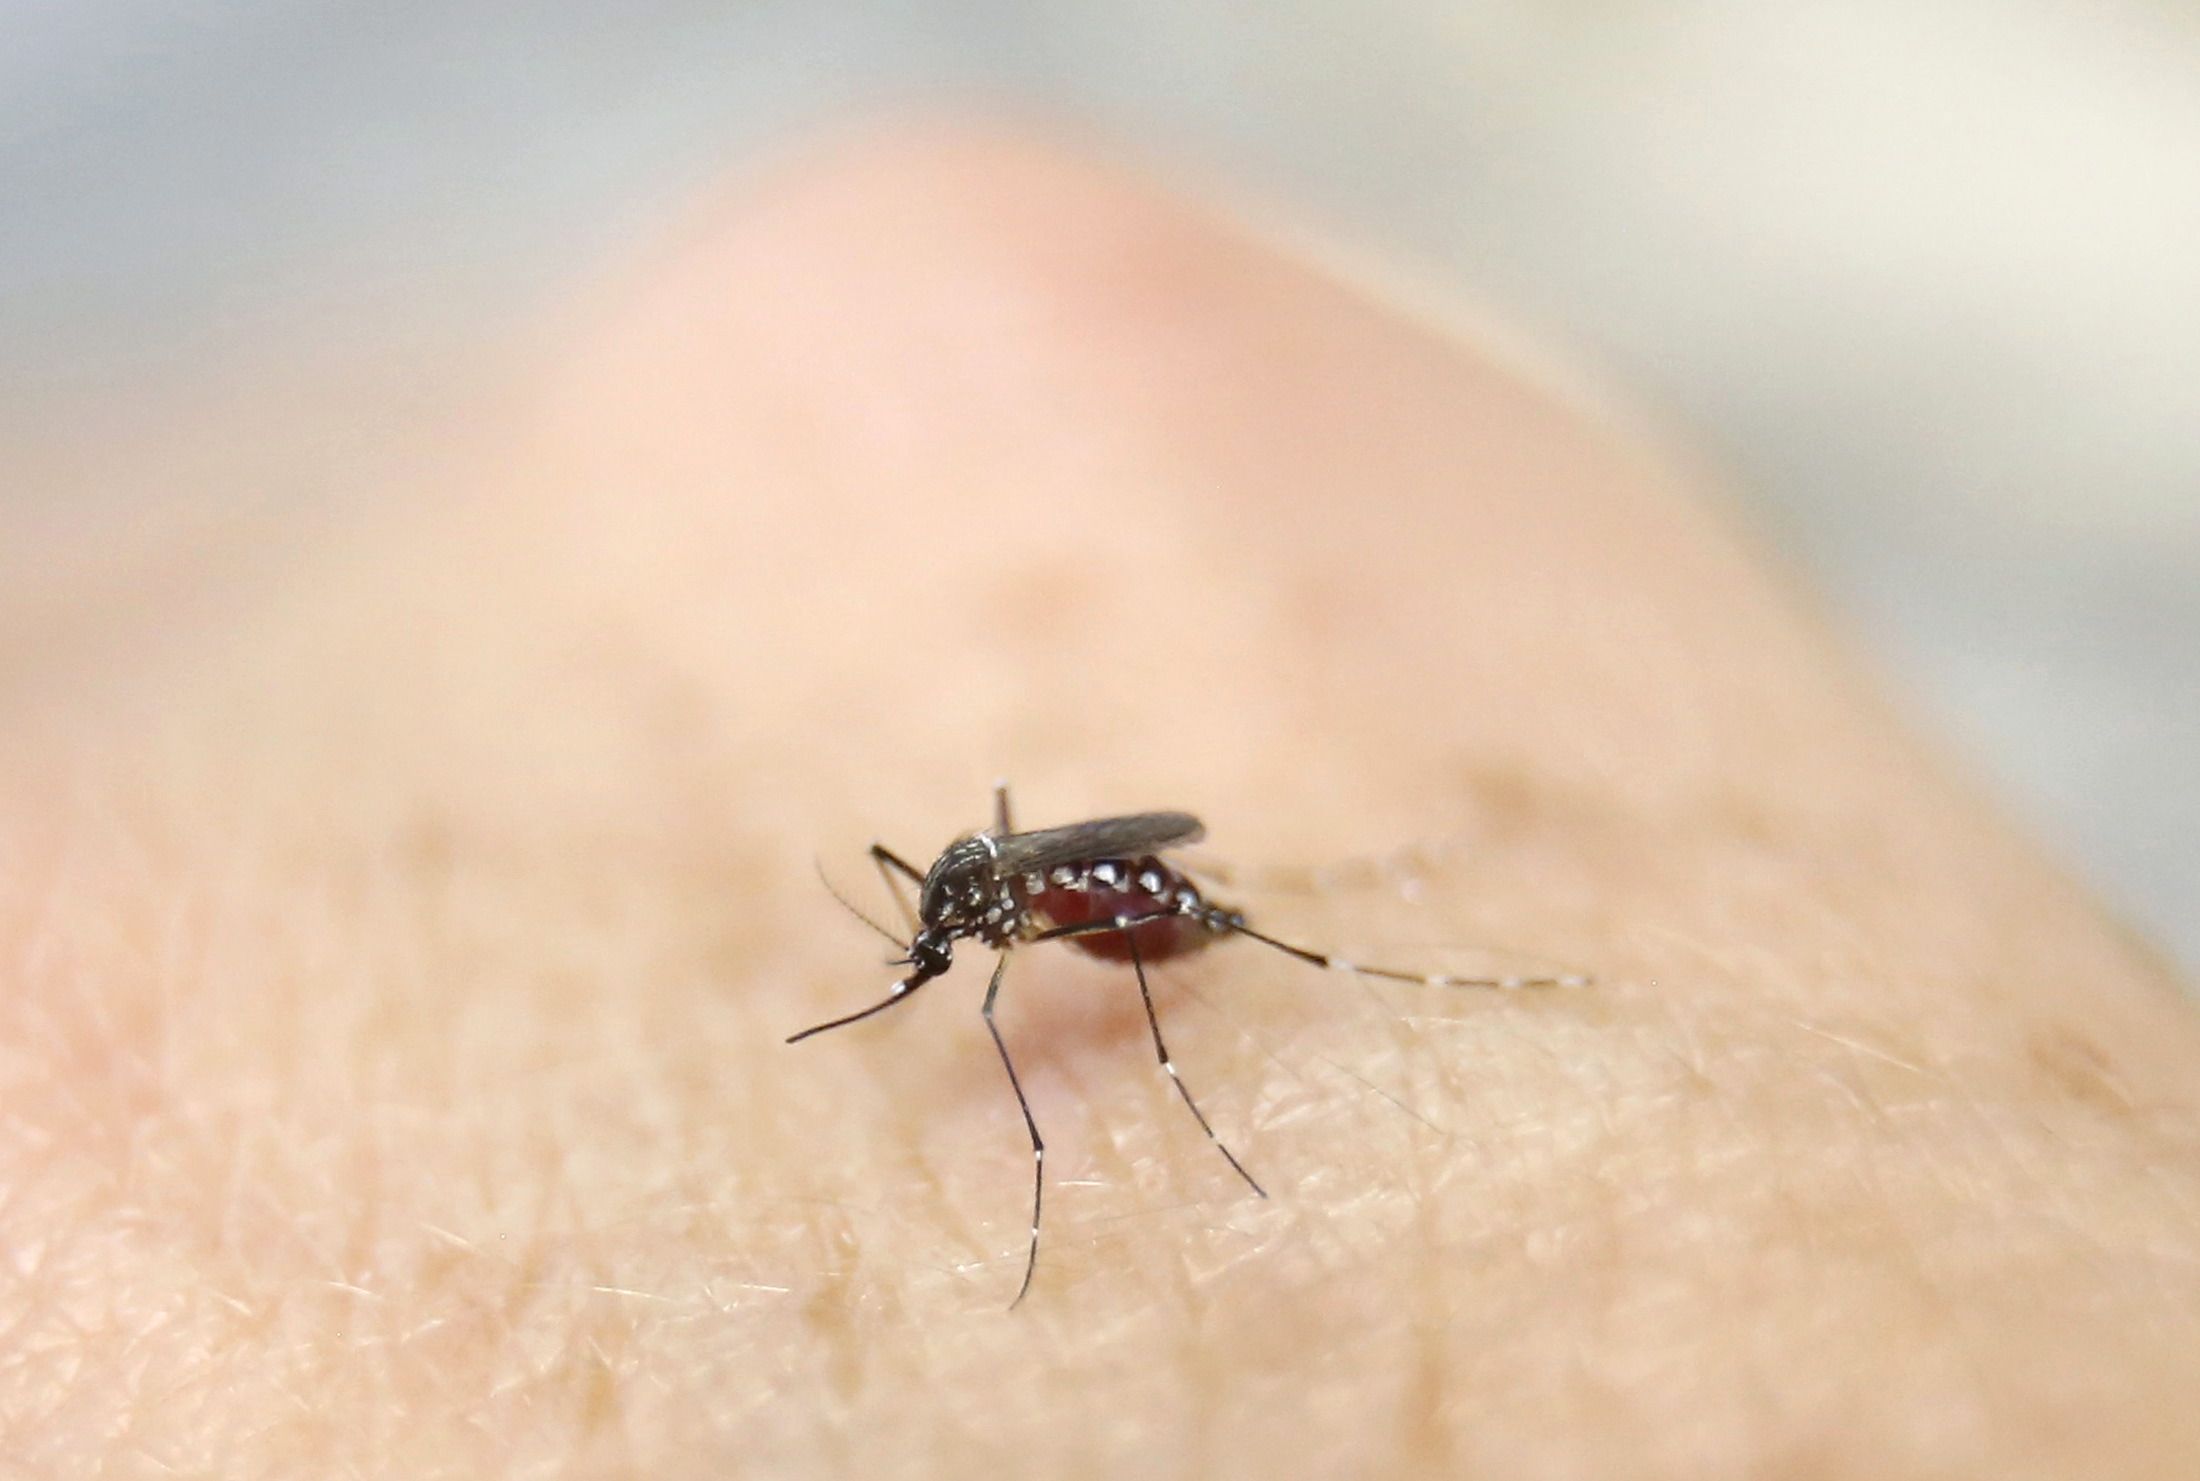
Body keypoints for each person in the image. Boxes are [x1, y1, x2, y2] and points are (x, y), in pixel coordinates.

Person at [5, 125, 2194, 1477]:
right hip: (1088, 876)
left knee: (1056, 987)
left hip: (1131, 896)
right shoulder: (958, 898)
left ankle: (1297, 1000)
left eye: (943, 926)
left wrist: (1085, 961)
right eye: (944, 926)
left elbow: (1016, 905)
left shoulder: (1023, 921)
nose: (937, 940)